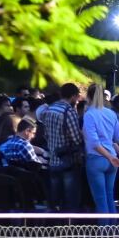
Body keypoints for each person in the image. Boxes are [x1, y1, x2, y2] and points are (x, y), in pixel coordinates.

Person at [38, 83, 85, 212]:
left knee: (55, 200)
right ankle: (69, 228)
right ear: (73, 96)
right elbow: (76, 138)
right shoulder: (68, 111)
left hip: (53, 159)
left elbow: (46, 134)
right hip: (67, 161)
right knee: (70, 200)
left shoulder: (50, 109)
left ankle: (55, 227)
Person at [82, 85, 119, 216]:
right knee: (110, 197)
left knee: (100, 200)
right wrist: (111, 156)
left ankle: (104, 232)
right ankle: (113, 231)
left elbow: (94, 143)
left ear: (88, 96)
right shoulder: (111, 113)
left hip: (97, 158)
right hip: (112, 157)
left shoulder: (89, 114)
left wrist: (108, 156)